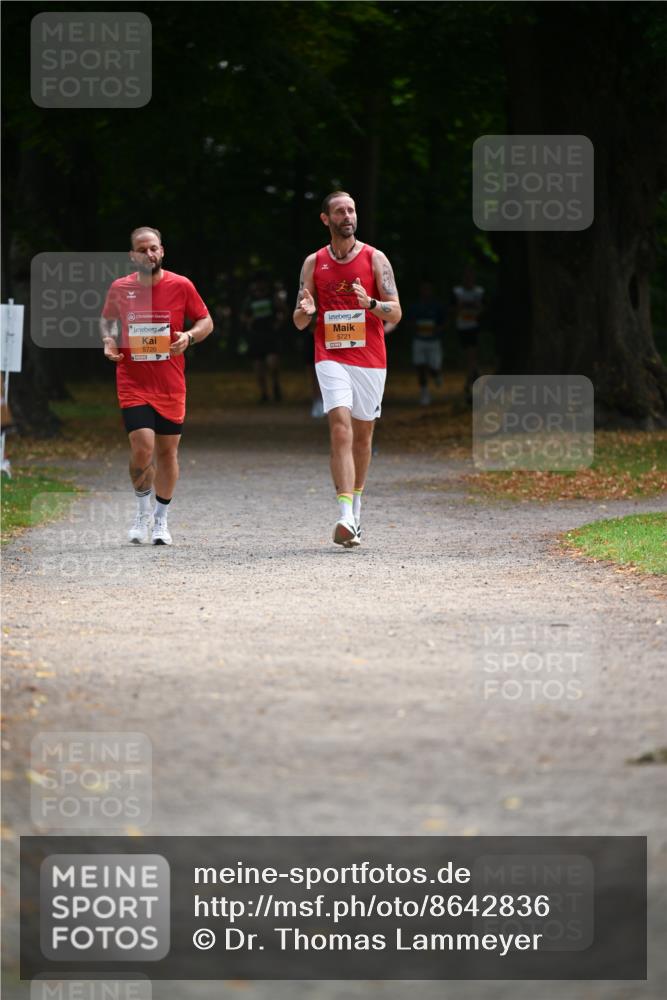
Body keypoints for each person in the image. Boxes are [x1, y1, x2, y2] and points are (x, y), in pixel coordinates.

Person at [293, 191, 401, 547]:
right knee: (340, 428)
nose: (348, 215)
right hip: (330, 354)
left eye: (352, 209)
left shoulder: (375, 259)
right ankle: (343, 515)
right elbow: (298, 320)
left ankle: (355, 508)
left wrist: (369, 303)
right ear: (326, 219)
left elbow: (395, 312)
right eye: (340, 211)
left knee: (363, 435)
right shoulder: (313, 263)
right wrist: (305, 311)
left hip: (370, 357)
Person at [100, 226, 213, 545]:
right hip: (132, 380)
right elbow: (107, 319)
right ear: (132, 255)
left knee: (167, 453)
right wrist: (109, 340)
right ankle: (141, 511)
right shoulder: (120, 288)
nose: (149, 254)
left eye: (153, 248)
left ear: (162, 251)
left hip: (170, 384)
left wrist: (189, 337)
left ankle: (161, 520)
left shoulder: (182, 285)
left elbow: (206, 321)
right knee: (142, 447)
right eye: (142, 249)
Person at [241, 274, 284, 403]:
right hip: (256, 336)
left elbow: (284, 311)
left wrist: (278, 323)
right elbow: (242, 316)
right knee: (258, 368)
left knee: (273, 364)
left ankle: (276, 385)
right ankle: (264, 394)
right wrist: (248, 321)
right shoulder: (250, 300)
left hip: (270, 335)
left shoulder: (272, 298)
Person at [407, 281, 445, 405]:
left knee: (433, 367)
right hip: (419, 341)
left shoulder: (437, 306)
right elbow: (408, 321)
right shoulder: (415, 306)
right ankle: (424, 393)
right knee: (421, 367)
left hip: (434, 341)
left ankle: (436, 375)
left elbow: (444, 322)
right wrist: (415, 328)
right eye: (424, 289)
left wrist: (437, 329)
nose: (426, 292)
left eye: (428, 289)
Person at [451, 265, 484, 404]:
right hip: (462, 327)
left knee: (472, 355)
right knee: (469, 356)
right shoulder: (457, 292)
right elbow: (453, 309)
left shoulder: (479, 292)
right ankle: (473, 375)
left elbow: (482, 308)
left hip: (474, 327)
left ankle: (470, 382)